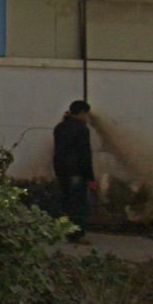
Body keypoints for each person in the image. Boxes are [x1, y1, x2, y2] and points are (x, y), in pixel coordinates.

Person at [53, 99, 97, 244]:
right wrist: (90, 177)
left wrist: (58, 171)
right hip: (77, 172)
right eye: (87, 114)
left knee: (65, 203)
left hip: (62, 172)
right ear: (82, 112)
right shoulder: (81, 129)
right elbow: (85, 155)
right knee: (79, 205)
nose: (87, 117)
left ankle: (65, 231)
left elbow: (58, 153)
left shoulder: (60, 127)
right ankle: (77, 235)